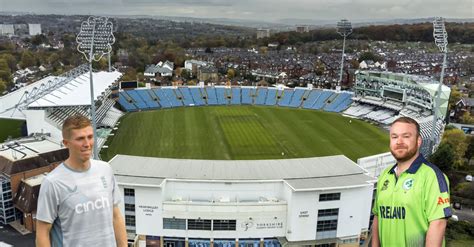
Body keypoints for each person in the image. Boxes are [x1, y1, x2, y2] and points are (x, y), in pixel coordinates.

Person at [36, 114, 127, 247]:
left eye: (90, 137)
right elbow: (42, 232)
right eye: (80, 139)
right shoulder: (53, 183)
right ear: (66, 143)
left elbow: (116, 216)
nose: (87, 144)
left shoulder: (105, 169)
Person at [372, 116, 451, 247]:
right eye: (394, 137)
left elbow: (438, 224)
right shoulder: (385, 175)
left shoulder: (432, 176)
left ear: (418, 141)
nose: (399, 141)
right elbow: (377, 217)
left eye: (406, 136)